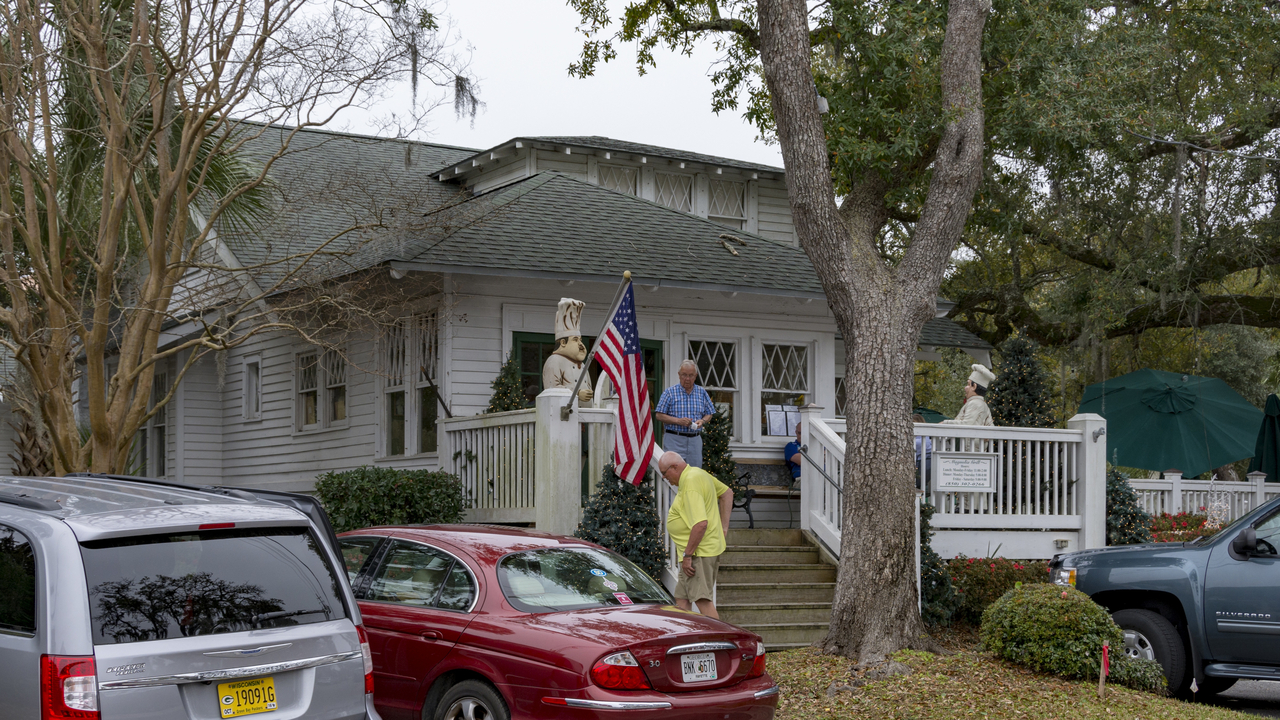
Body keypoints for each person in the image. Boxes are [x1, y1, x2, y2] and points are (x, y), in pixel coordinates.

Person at [658, 451, 732, 619]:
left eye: (664, 473)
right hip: (695, 553)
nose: (663, 477)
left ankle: (719, 635)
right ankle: (685, 633)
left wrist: (688, 555)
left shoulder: (690, 482)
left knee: (702, 601)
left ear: (674, 467)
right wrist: (723, 528)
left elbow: (700, 524)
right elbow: (727, 493)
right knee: (682, 599)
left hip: (698, 554)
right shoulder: (698, 473)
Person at [654, 360, 716, 467]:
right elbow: (659, 415)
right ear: (679, 375)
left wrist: (703, 421)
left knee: (695, 472)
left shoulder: (702, 392)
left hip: (695, 441)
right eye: (684, 375)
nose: (687, 379)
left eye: (691, 375)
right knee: (673, 471)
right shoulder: (669, 392)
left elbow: (709, 413)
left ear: (695, 376)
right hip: (674, 439)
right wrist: (678, 421)